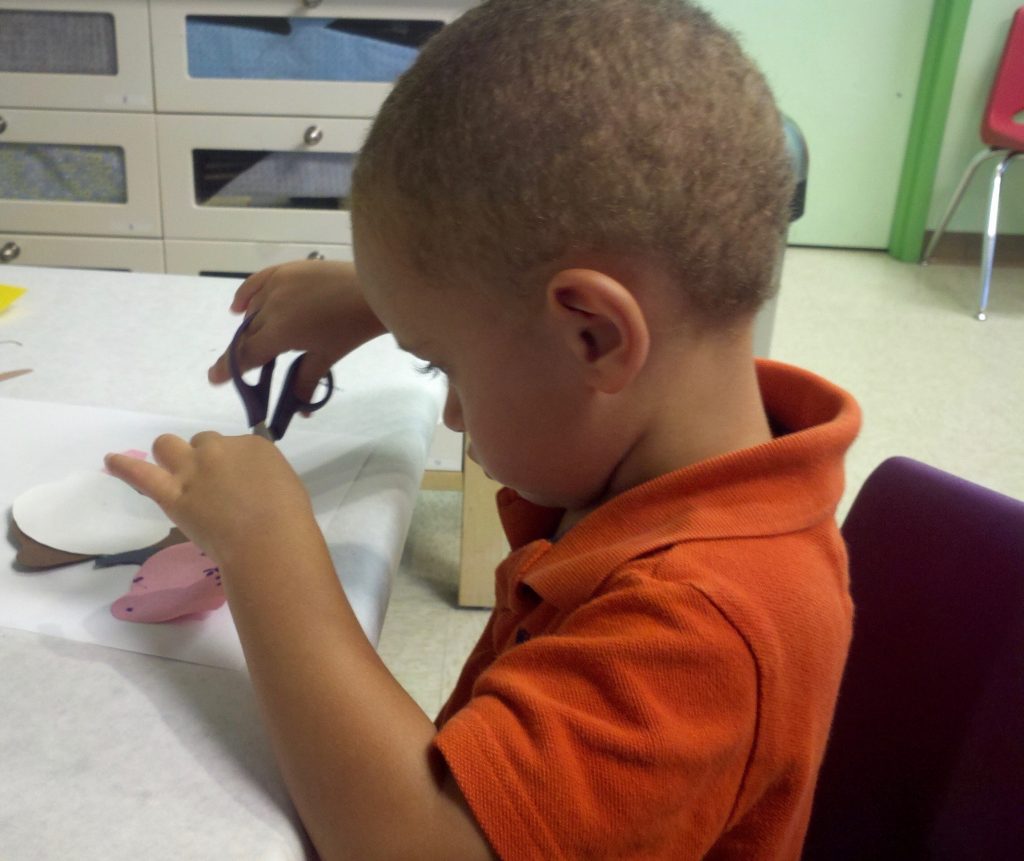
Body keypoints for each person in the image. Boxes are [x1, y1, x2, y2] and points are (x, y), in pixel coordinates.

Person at [106, 1, 861, 858]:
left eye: (444, 369)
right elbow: (552, 339)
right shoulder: (689, 425)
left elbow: (426, 845)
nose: (454, 415)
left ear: (595, 336)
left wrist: (266, 547)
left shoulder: (702, 628)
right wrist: (396, 303)